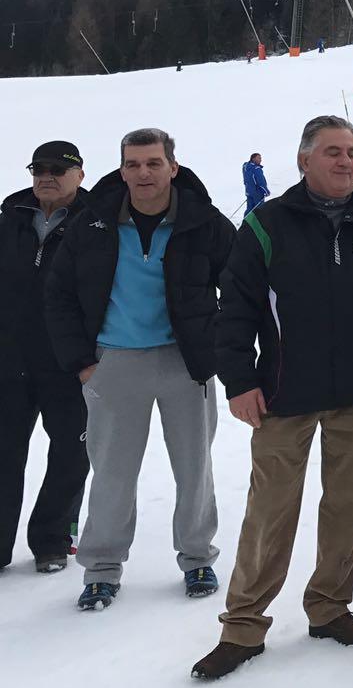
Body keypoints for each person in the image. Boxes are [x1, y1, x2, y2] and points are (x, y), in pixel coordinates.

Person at [189, 115, 353, 680]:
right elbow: (235, 308)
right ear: (304, 161)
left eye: (352, 151)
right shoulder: (267, 223)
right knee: (270, 510)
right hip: (283, 392)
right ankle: (243, 627)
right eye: (332, 152)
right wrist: (240, 381)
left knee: (348, 505)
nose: (345, 161)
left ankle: (329, 607)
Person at [44, 128, 234, 611]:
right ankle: (101, 569)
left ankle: (197, 558)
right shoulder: (93, 223)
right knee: (112, 472)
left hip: (184, 364)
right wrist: (84, 365)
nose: (143, 173)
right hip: (114, 363)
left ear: (173, 166)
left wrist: (214, 346)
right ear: (122, 169)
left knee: (194, 468)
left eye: (153, 163)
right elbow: (59, 295)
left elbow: (240, 286)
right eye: (133, 164)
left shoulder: (203, 222)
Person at [0, 142, 92, 575]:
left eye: (58, 168)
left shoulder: (97, 223)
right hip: (9, 360)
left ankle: (52, 539)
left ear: (80, 174)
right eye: (39, 168)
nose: (46, 176)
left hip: (70, 362)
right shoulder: (11, 219)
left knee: (71, 454)